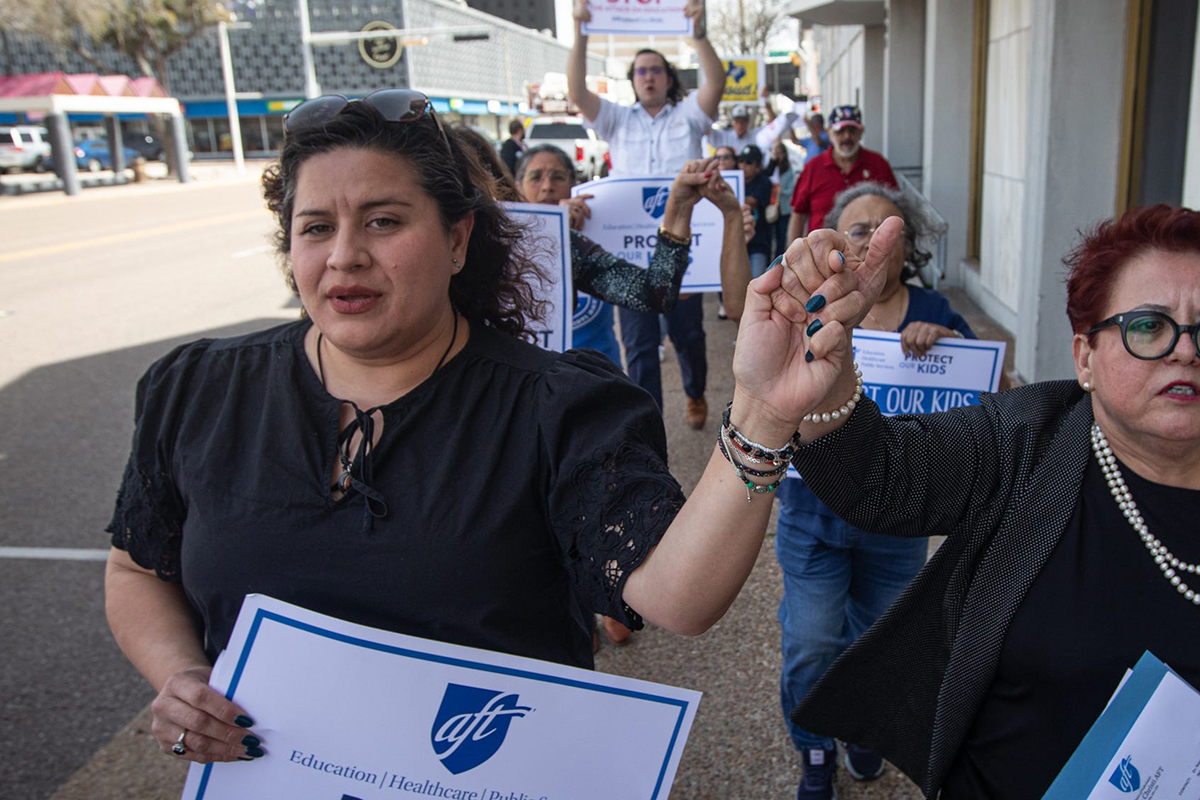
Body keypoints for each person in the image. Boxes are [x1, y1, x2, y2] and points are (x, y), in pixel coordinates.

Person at [104, 89, 839, 766]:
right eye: (316, 227)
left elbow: (679, 597)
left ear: (458, 240)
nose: (344, 255)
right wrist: (181, 677)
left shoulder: (559, 409)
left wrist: (764, 413)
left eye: (383, 221)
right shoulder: (196, 390)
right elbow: (137, 568)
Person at [775, 202, 1200, 799]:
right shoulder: (1029, 438)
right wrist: (823, 369)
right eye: (1149, 326)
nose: (1186, 350)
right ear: (1086, 359)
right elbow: (881, 479)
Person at [771, 182, 975, 800]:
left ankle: (862, 730)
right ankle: (813, 748)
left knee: (879, 642)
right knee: (810, 641)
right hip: (812, 515)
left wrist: (954, 348)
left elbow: (980, 398)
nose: (869, 239)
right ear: (835, 241)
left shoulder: (937, 312)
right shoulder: (807, 306)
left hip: (897, 527)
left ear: (905, 245)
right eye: (857, 229)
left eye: (886, 229)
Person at [568, 0, 724, 429]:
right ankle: (649, 423)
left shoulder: (690, 116)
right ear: (633, 81)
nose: (649, 76)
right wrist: (580, 32)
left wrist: (698, 31)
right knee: (638, 346)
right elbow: (577, 93)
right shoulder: (616, 121)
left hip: (685, 251)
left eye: (656, 69)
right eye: (641, 70)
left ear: (668, 78)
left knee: (688, 336)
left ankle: (695, 393)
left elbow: (717, 81)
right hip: (632, 255)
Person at [787, 105, 898, 241]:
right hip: (821, 255)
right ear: (829, 133)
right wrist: (792, 255)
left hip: (869, 255)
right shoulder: (813, 168)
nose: (847, 137)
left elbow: (896, 209)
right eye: (840, 131)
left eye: (852, 131)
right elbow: (798, 214)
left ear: (861, 132)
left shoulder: (878, 164)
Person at [706, 92, 796, 162]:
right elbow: (705, 128)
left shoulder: (756, 136)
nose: (740, 125)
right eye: (737, 121)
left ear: (748, 122)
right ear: (732, 122)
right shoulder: (723, 136)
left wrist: (766, 103)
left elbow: (773, 126)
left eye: (743, 121)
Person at [738, 143, 774, 279]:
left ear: (757, 165)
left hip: (758, 243)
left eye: (748, 162)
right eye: (740, 161)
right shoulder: (733, 181)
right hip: (737, 244)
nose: (743, 166)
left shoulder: (764, 182)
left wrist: (730, 199)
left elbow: (753, 201)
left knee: (756, 283)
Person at [769, 139, 800, 259]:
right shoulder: (772, 167)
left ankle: (780, 259)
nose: (777, 155)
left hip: (784, 207)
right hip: (773, 206)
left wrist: (783, 191)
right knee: (773, 235)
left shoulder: (788, 169)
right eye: (775, 153)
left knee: (782, 235)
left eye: (779, 153)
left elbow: (792, 188)